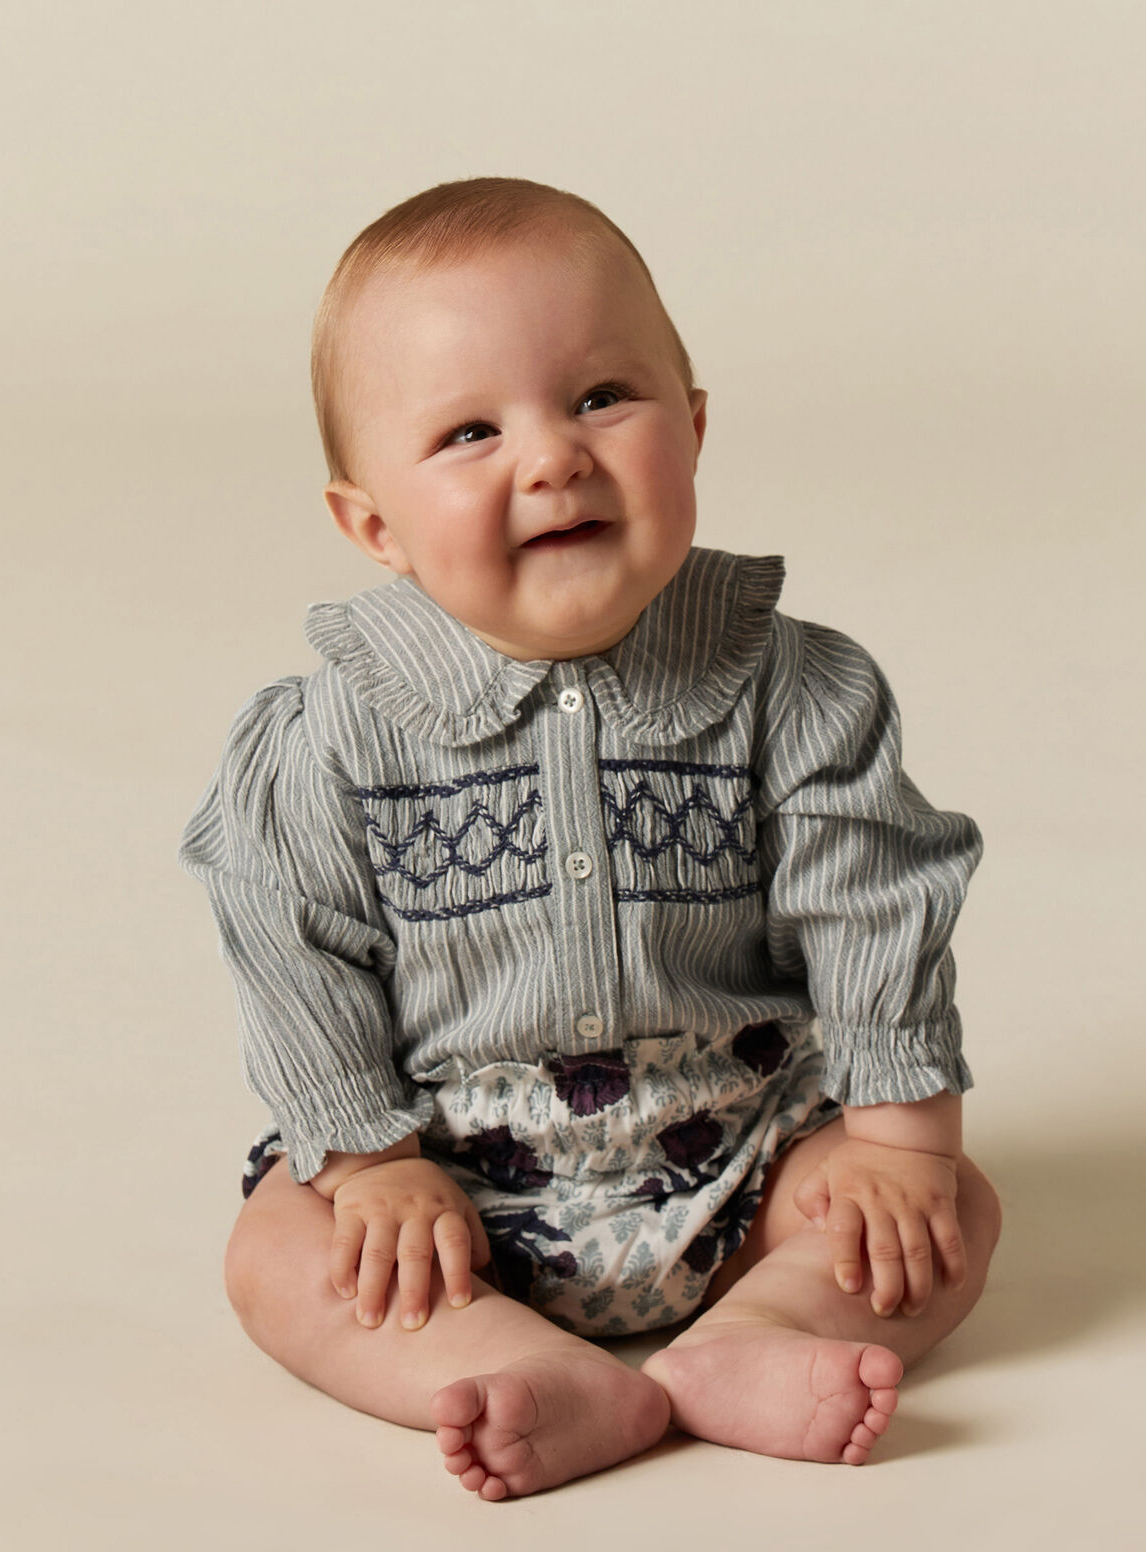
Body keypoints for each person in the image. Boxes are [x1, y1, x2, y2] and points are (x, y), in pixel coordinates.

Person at [180, 176, 1001, 1501]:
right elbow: (291, 949)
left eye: (600, 399)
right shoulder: (326, 738)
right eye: (466, 433)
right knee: (277, 1255)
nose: (552, 457)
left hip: (742, 1143)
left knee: (946, 1211)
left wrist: (900, 1146)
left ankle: (751, 1335)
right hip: (450, 1174)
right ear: (373, 524)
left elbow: (875, 908)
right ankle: (516, 1364)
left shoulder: (798, 688)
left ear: (694, 423)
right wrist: (375, 1166)